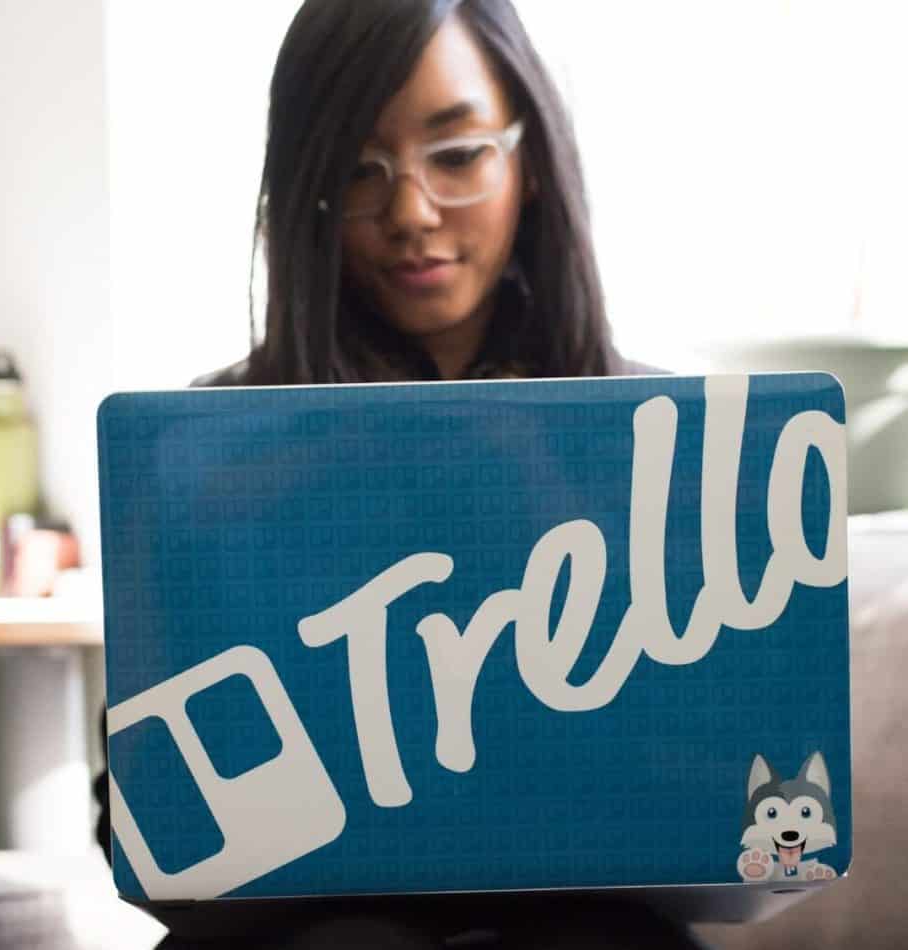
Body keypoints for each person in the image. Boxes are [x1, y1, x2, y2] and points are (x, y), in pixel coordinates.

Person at [95, 1, 701, 946]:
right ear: (307, 188)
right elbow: (145, 834)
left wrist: (543, 502)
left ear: (529, 158)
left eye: (457, 157)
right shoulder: (208, 443)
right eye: (356, 169)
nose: (411, 213)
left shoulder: (667, 438)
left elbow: (716, 780)